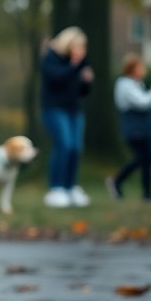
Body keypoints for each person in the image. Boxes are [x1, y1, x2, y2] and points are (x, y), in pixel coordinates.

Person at [39, 26, 93, 208]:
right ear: (68, 44)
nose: (80, 51)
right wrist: (74, 66)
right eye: (77, 46)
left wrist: (86, 81)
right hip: (54, 109)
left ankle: (70, 187)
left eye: (82, 47)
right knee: (64, 145)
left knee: (76, 147)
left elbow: (82, 92)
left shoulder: (78, 63)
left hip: (74, 109)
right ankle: (56, 188)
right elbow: (56, 79)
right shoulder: (51, 57)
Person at [108, 53, 151, 202]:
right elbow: (143, 103)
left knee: (146, 158)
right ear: (132, 68)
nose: (143, 70)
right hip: (135, 128)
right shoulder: (125, 84)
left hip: (142, 128)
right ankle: (117, 181)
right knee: (143, 157)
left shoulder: (135, 84)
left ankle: (147, 191)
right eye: (141, 67)